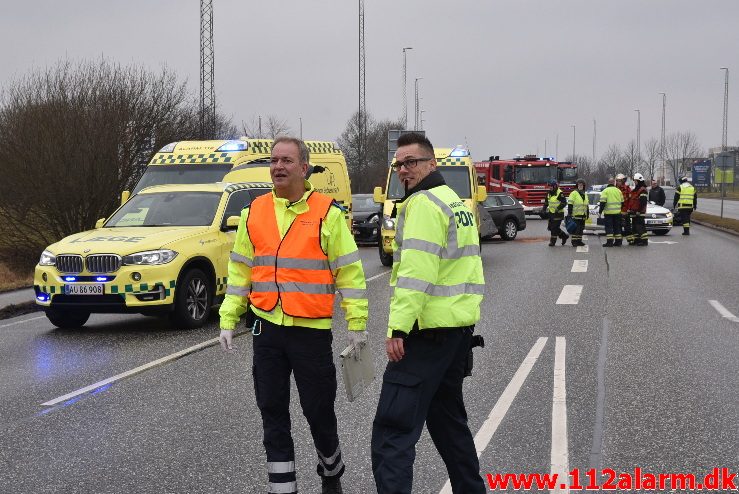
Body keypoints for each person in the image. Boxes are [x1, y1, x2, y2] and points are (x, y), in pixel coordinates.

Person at [218, 136, 369, 494]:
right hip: (266, 328)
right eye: (274, 161)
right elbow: (241, 270)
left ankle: (331, 475)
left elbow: (349, 274)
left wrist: (357, 324)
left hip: (310, 333)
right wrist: (228, 317)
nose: (278, 167)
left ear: (304, 168)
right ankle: (283, 488)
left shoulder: (327, 213)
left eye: (286, 160)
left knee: (318, 412)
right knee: (272, 412)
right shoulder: (255, 211)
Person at [371, 132, 486, 494]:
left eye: (412, 163)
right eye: (399, 164)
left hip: (425, 337)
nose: (404, 170)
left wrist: (398, 329)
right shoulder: (454, 201)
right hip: (456, 335)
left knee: (393, 433)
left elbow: (415, 275)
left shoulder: (422, 204)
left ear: (431, 164)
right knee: (451, 429)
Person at [598, 177, 624, 247]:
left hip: (608, 213)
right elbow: (622, 202)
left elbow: (602, 202)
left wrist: (600, 211)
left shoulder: (605, 191)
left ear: (608, 183)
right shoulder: (618, 191)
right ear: (614, 183)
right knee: (617, 227)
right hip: (617, 213)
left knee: (609, 227)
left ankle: (609, 242)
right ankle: (618, 242)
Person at [546, 179, 569, 246]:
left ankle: (552, 242)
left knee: (554, 228)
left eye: (551, 186)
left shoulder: (560, 193)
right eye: (549, 186)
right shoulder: (549, 193)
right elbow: (546, 202)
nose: (550, 187)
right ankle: (564, 236)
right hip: (551, 213)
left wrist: (558, 208)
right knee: (550, 227)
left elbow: (564, 203)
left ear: (555, 186)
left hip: (558, 214)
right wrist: (543, 209)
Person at [566, 178, 588, 247]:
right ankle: (574, 241)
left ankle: (579, 241)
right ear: (577, 185)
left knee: (581, 229)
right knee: (576, 229)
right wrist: (569, 214)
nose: (580, 186)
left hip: (583, 215)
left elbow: (586, 205)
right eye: (579, 184)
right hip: (576, 215)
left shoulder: (585, 194)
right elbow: (570, 204)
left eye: (582, 184)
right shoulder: (574, 193)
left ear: (584, 186)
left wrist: (587, 214)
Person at [631, 173, 649, 246]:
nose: (634, 182)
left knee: (640, 227)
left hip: (640, 212)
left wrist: (638, 211)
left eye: (635, 181)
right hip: (635, 212)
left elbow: (643, 202)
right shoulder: (636, 189)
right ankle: (637, 240)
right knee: (635, 227)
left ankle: (644, 241)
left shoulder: (642, 190)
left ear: (638, 181)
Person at [615, 173, 632, 245]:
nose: (618, 182)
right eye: (617, 181)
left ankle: (631, 240)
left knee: (627, 227)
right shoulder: (615, 189)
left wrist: (628, 209)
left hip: (625, 211)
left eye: (619, 181)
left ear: (622, 181)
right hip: (617, 211)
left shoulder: (627, 189)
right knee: (618, 227)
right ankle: (618, 241)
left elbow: (630, 200)